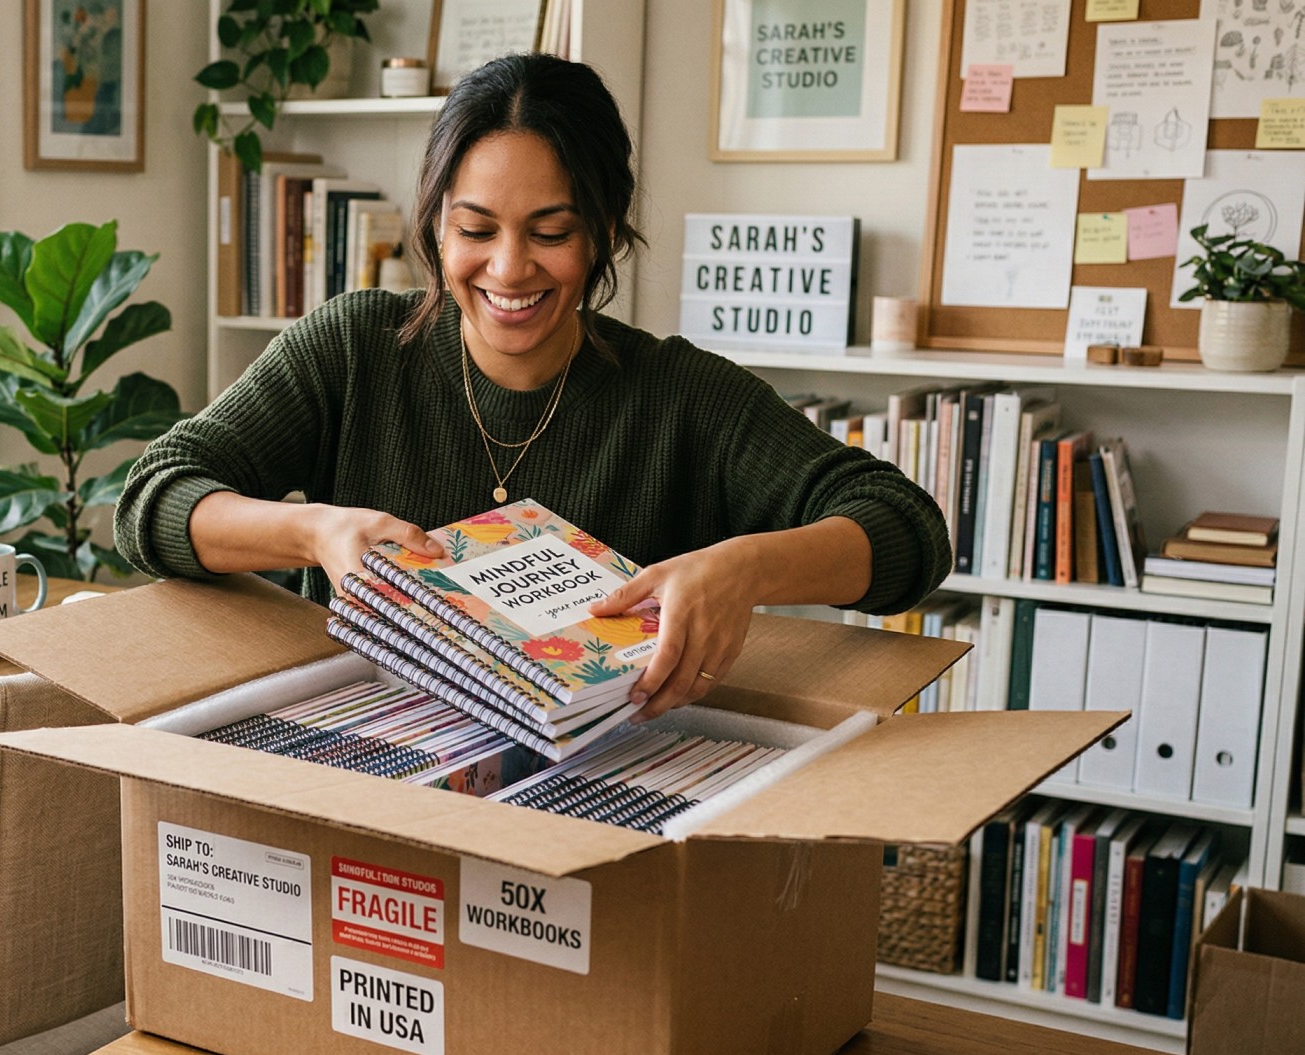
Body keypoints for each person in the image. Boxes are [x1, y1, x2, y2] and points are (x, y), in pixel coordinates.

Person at [116, 53, 950, 722]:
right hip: (358, 776)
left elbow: (908, 533)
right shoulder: (353, 346)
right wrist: (316, 533)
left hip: (593, 814)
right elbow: (153, 500)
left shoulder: (682, 396)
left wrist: (745, 569)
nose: (509, 269)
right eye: (474, 230)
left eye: (551, 233)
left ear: (605, 232)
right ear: (435, 221)